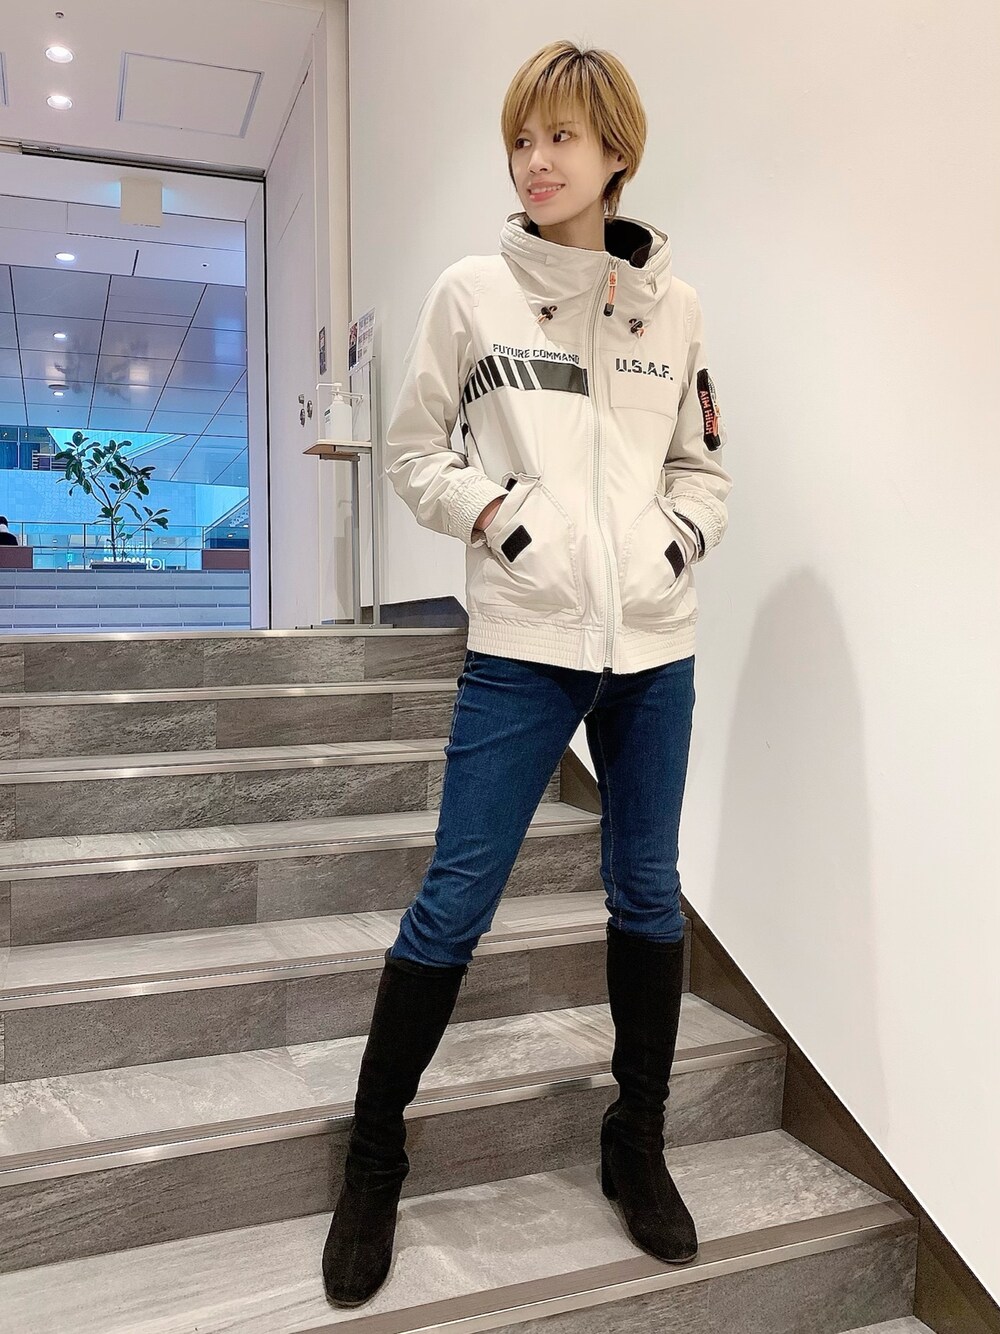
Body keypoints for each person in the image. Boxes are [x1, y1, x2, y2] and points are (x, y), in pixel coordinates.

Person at [322, 39, 733, 1308]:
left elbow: (702, 470)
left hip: (653, 651)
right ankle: (374, 1156)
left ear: (617, 153)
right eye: (520, 137)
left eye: (560, 136)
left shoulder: (673, 307)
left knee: (648, 893)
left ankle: (635, 1139)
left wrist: (674, 542)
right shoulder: (473, 293)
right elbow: (413, 454)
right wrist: (502, 520)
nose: (534, 160)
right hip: (522, 650)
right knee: (454, 899)